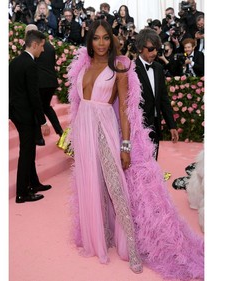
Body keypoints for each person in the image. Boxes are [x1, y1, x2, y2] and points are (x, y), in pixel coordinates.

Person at [67, 20, 204, 280]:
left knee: (115, 187)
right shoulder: (83, 65)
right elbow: (77, 104)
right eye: (96, 38)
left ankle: (131, 246)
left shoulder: (119, 66)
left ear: (112, 40)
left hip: (105, 129)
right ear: (90, 41)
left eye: (106, 38)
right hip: (83, 131)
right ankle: (100, 238)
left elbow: (124, 110)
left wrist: (126, 145)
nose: (101, 43)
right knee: (91, 185)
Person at [9, 29, 52, 203]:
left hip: (16, 113)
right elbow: (34, 95)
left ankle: (33, 183)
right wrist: (42, 121)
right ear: (34, 44)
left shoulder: (15, 62)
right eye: (41, 46)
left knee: (29, 149)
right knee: (27, 152)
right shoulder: (30, 64)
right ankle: (22, 193)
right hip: (25, 114)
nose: (42, 50)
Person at [134, 28, 179, 160]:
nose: (154, 53)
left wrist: (172, 125)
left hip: (155, 125)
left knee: (153, 163)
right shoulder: (131, 69)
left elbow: (163, 99)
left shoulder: (158, 68)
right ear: (140, 48)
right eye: (150, 49)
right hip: (138, 128)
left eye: (156, 50)